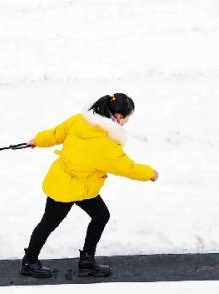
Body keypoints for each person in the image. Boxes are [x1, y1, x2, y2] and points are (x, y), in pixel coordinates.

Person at [20, 93, 158, 278]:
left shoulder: (80, 120)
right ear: (118, 117)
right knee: (49, 223)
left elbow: (55, 134)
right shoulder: (106, 144)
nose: (127, 122)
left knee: (101, 215)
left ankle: (87, 262)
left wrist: (38, 140)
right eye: (127, 118)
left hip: (81, 184)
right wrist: (149, 173)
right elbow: (127, 168)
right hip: (66, 187)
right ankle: (29, 262)